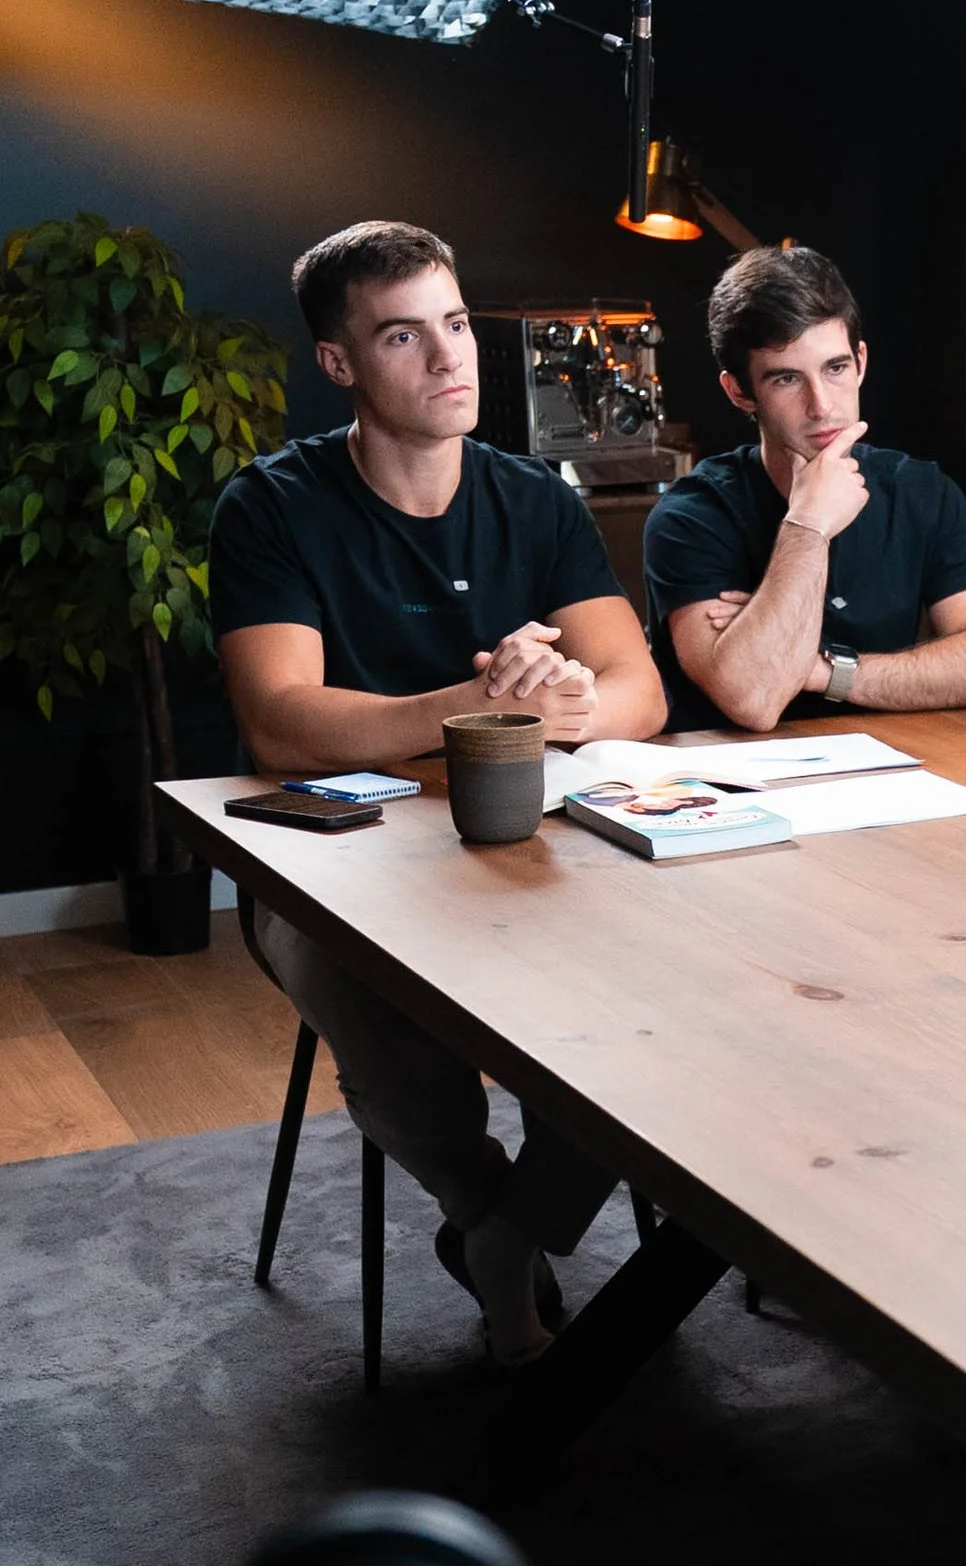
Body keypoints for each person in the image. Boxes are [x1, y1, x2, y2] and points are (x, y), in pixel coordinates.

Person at [213, 221, 668, 1365]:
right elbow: (279, 720)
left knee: (677, 1012)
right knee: (384, 1010)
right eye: (404, 336)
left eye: (455, 325)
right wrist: (476, 712)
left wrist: (565, 701)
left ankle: (506, 1236)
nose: (449, 358)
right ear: (340, 364)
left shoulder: (536, 500)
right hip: (331, 858)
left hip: (535, 847)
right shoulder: (270, 506)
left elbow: (639, 691)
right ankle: (491, 1215)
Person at [641, 245, 966, 732]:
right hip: (728, 788)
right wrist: (808, 524)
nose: (821, 405)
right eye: (786, 379)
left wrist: (818, 669)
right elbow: (754, 699)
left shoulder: (921, 491)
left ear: (860, 361)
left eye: (835, 368)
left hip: (887, 772)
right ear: (739, 391)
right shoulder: (691, 517)